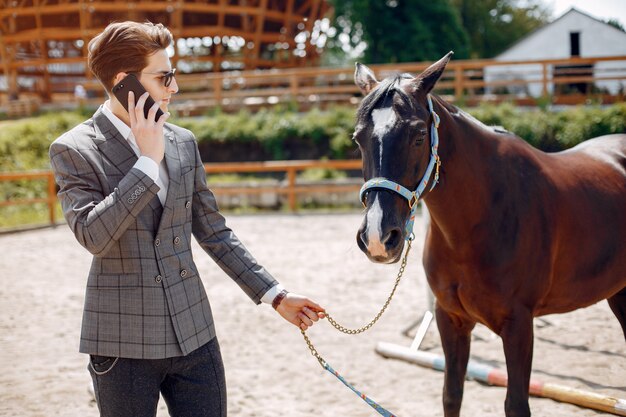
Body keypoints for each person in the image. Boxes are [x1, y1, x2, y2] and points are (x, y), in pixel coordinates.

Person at [49, 21, 325, 417]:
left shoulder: (183, 141)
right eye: (164, 78)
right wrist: (146, 162)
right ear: (125, 81)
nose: (174, 87)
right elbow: (93, 235)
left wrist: (274, 295)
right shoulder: (73, 149)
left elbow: (214, 232)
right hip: (122, 344)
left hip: (195, 334)